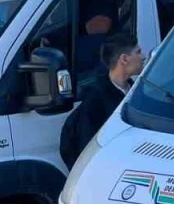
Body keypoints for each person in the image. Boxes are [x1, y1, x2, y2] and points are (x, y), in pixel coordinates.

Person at [60, 32, 144, 169]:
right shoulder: (95, 102)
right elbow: (86, 150)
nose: (143, 57)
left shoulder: (136, 92)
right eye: (138, 52)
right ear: (124, 59)